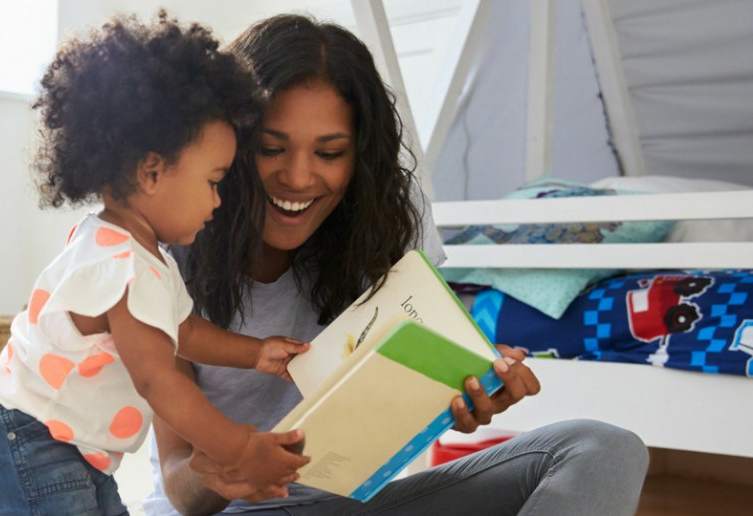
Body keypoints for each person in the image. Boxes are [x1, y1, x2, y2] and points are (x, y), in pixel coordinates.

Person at [144, 14, 650, 516]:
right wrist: (225, 464)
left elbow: (407, 393)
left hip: (349, 507)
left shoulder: (385, 217)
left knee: (602, 450)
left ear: (360, 156)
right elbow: (180, 489)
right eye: (270, 148)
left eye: (329, 153)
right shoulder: (169, 244)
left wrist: (460, 392)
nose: (298, 178)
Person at [0, 13, 316, 516]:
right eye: (213, 182)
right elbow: (159, 380)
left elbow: (183, 332)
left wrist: (256, 353)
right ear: (151, 173)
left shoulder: (139, 255)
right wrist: (239, 449)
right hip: (29, 431)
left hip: (69, 439)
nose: (219, 201)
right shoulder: (122, 264)